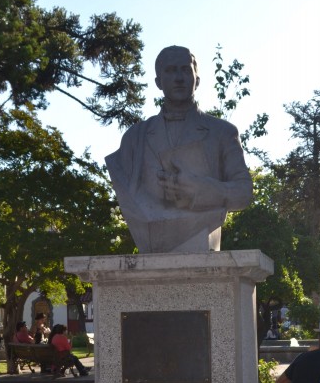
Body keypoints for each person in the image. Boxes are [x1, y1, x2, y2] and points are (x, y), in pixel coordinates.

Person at [105, 46, 253, 253]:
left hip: (204, 240)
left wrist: (201, 189)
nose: (178, 78)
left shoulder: (222, 132)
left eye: (185, 70)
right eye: (170, 70)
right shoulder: (134, 138)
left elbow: (244, 193)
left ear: (197, 80)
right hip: (151, 241)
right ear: (158, 82)